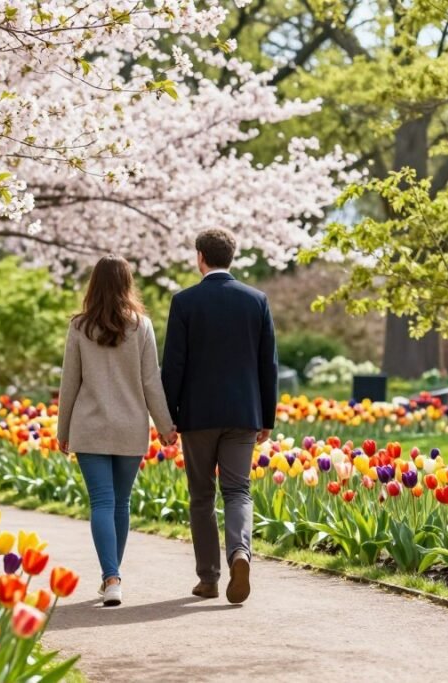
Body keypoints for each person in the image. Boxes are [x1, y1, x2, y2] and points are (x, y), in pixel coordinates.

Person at [161, 228, 278, 605]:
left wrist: (169, 415)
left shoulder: (184, 302)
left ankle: (209, 579)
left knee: (200, 497)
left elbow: (174, 365)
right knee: (238, 490)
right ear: (232, 256)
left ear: (200, 257)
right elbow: (268, 364)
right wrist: (267, 417)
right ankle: (240, 553)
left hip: (198, 416)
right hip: (245, 412)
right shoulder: (256, 300)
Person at [57, 255, 177, 606]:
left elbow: (70, 383)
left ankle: (112, 577)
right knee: (120, 503)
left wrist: (63, 429)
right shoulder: (141, 326)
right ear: (128, 284)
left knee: (102, 503)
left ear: (94, 285)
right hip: (130, 426)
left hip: (90, 425)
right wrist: (166, 426)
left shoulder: (79, 327)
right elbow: (151, 381)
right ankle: (112, 578)